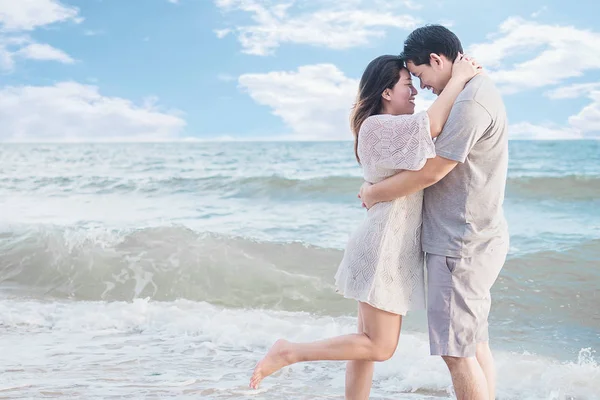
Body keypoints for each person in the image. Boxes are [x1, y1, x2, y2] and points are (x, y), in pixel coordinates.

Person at [249, 53, 481, 398]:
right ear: (386, 92)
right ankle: (289, 352)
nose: (415, 91)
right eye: (407, 84)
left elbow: (432, 131)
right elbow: (431, 126)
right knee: (379, 346)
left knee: (363, 344)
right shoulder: (377, 126)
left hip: (385, 246)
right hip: (382, 249)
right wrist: (460, 77)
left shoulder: (395, 128)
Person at [359, 25, 509, 400]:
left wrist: (374, 192)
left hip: (459, 241)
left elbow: (433, 170)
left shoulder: (470, 102)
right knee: (473, 346)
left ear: (437, 60)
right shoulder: (475, 91)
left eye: (421, 74)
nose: (422, 86)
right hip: (474, 234)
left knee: (455, 352)